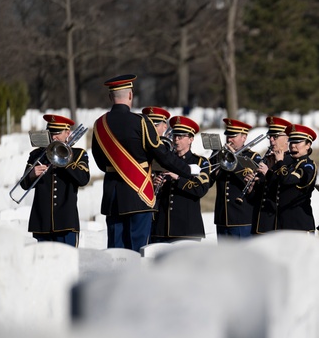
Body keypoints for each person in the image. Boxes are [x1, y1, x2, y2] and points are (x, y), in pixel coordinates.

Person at [91, 74, 193, 252]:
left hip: (112, 197)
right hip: (139, 195)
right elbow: (162, 155)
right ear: (130, 95)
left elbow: (100, 162)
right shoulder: (141, 122)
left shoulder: (100, 124)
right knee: (138, 252)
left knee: (115, 254)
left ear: (110, 98)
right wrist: (187, 169)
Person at [19, 113, 89, 246]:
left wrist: (65, 159)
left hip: (66, 223)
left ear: (67, 133)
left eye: (57, 133)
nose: (53, 137)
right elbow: (23, 184)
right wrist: (32, 174)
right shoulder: (37, 155)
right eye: (51, 133)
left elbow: (83, 179)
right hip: (41, 223)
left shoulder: (78, 154)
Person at [151, 115, 211, 242]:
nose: (176, 140)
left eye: (181, 137)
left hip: (187, 228)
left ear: (190, 139)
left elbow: (201, 189)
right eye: (174, 136)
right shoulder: (164, 160)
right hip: (162, 227)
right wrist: (155, 185)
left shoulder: (201, 162)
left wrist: (178, 178)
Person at [263, 123, 318, 232]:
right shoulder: (289, 164)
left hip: (299, 226)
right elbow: (274, 189)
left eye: (298, 142)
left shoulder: (308, 166)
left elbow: (287, 180)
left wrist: (279, 162)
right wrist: (270, 170)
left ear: (308, 145)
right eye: (292, 141)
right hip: (282, 224)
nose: (293, 145)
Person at [212, 118, 258, 240]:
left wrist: (234, 161)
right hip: (222, 218)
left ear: (244, 138)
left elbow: (248, 179)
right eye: (227, 136)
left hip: (242, 218)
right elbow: (209, 180)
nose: (229, 139)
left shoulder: (252, 157)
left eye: (233, 136)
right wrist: (215, 158)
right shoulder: (221, 156)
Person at [252, 116, 291, 234]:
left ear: (287, 138)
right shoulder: (267, 158)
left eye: (276, 137)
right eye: (270, 136)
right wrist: (251, 187)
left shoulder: (290, 162)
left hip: (275, 222)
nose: (271, 140)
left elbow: (285, 190)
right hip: (259, 220)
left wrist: (268, 173)